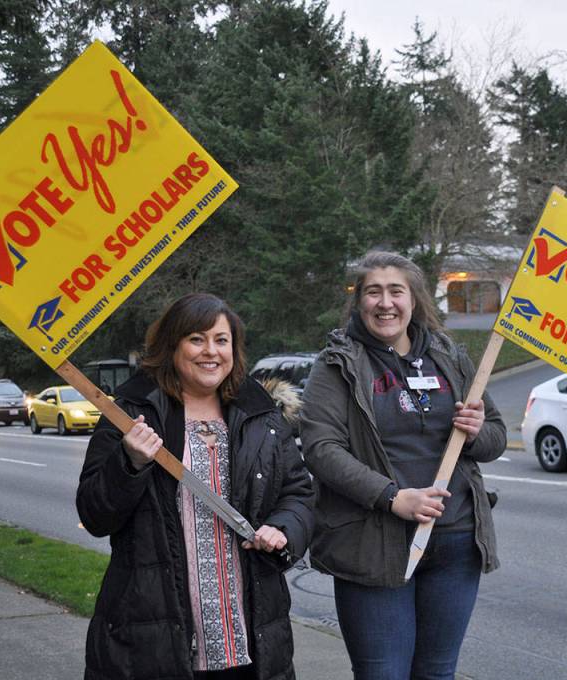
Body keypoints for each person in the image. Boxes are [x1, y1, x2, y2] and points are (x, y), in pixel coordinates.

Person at [77, 293, 314, 680]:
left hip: (250, 631)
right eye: (196, 339)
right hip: (155, 632)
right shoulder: (131, 414)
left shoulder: (261, 416)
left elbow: (299, 493)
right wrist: (130, 462)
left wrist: (284, 529)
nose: (211, 352)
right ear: (172, 345)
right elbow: (94, 513)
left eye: (222, 340)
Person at [300, 251, 506, 680]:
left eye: (397, 291)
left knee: (436, 673)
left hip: (455, 543)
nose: (385, 302)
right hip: (374, 543)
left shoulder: (449, 357)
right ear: (359, 302)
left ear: (414, 299)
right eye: (373, 292)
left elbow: (495, 439)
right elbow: (322, 450)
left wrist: (476, 430)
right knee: (383, 674)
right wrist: (392, 498)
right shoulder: (337, 364)